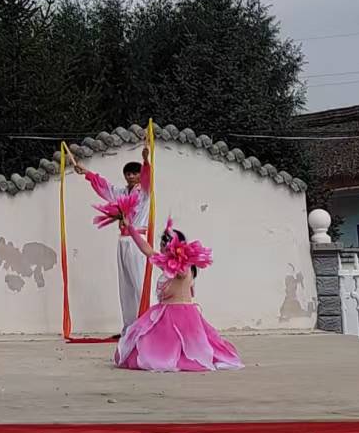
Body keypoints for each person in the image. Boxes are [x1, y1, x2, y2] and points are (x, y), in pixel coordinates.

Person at [114, 220, 242, 373]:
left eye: (164, 244)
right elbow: (147, 250)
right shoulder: (166, 263)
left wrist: (179, 255)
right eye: (161, 244)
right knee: (152, 342)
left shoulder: (184, 267)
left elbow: (181, 272)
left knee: (187, 347)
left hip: (182, 314)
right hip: (165, 312)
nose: (161, 248)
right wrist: (130, 229)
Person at [72, 147, 152, 334]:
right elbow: (104, 187)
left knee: (139, 283)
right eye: (128, 174)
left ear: (140, 175)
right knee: (125, 286)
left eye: (135, 173)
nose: (131, 176)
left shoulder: (144, 192)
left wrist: (146, 161)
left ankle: (148, 326)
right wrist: (87, 173)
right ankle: (129, 327)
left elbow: (148, 178)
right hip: (123, 240)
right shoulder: (121, 192)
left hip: (137, 240)